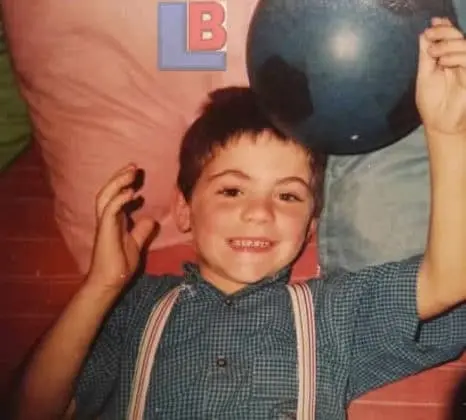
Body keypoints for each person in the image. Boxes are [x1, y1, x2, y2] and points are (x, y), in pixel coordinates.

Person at [12, 18, 466, 420]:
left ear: (310, 227)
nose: (259, 211)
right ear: (183, 210)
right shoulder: (133, 309)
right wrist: (101, 286)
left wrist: (448, 133)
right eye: (232, 190)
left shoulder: (332, 312)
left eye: (288, 195)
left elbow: (448, 279)